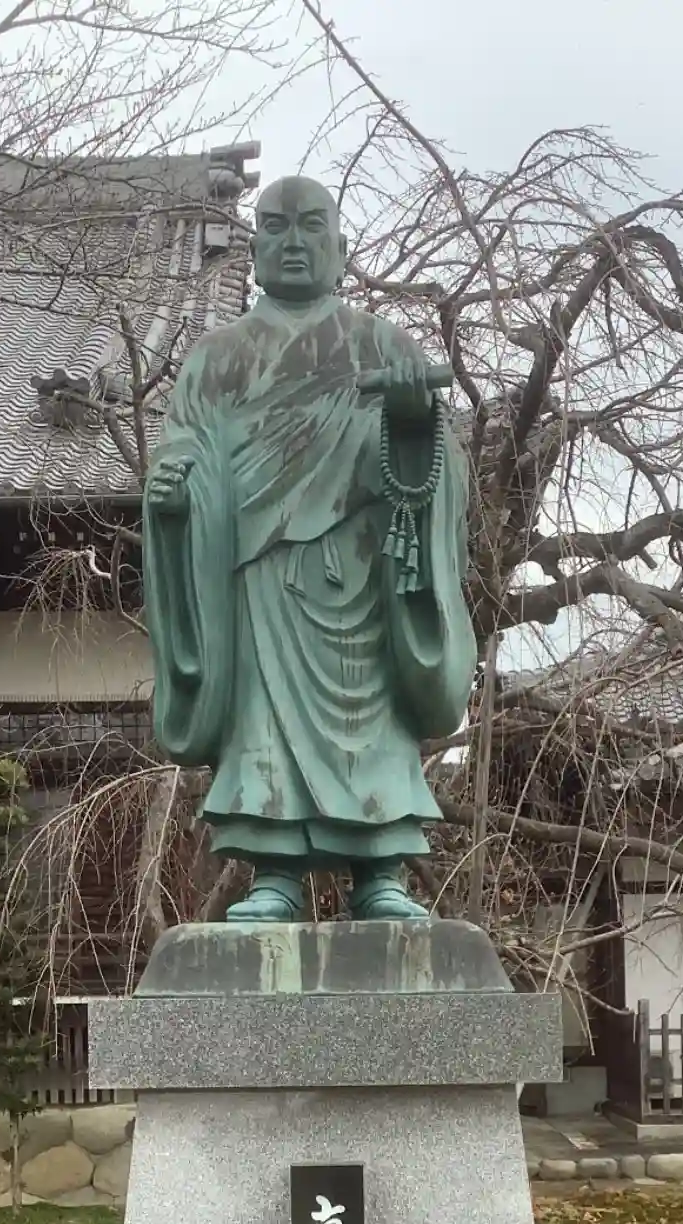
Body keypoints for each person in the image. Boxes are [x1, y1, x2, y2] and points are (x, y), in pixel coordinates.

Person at [142, 175, 477, 922]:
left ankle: (381, 870)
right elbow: (186, 452)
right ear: (254, 248)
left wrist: (413, 422)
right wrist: (174, 498)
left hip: (363, 570)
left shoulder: (382, 343)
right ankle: (275, 871)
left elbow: (436, 470)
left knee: (370, 718)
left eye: (311, 225)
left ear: (341, 247)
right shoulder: (216, 358)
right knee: (263, 723)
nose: (293, 242)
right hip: (258, 571)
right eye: (276, 226)